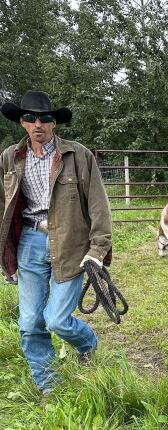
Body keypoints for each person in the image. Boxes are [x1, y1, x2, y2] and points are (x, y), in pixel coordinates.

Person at [0, 91, 112, 395]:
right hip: (30, 242)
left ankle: (87, 344)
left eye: (45, 118)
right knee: (30, 323)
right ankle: (51, 389)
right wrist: (5, 252)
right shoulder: (10, 157)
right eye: (30, 118)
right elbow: (4, 206)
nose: (38, 124)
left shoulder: (78, 155)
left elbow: (98, 205)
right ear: (21, 122)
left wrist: (97, 250)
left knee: (57, 320)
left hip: (71, 244)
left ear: (54, 123)